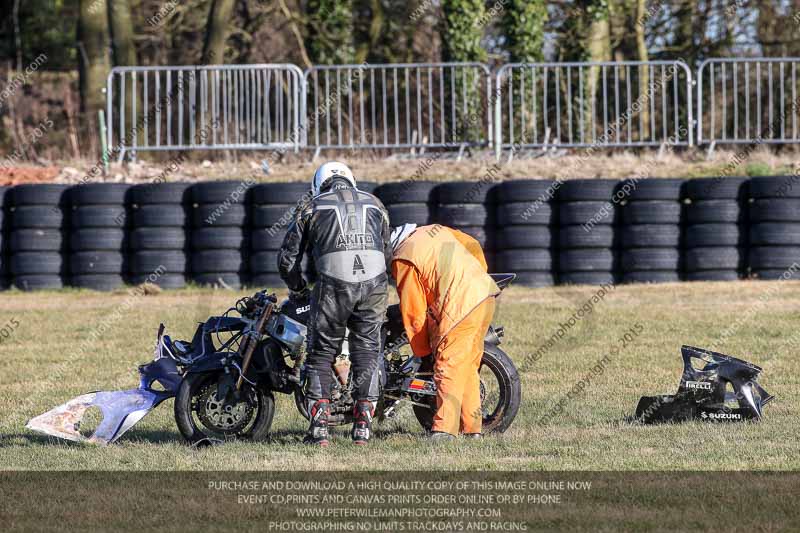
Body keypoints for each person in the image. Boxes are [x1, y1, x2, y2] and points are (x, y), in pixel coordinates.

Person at [278, 162, 391, 446]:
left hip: (333, 285)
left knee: (321, 353)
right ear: (350, 180)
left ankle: (319, 430)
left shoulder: (310, 207)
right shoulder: (376, 203)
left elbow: (287, 260)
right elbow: (385, 249)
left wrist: (299, 290)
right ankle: (363, 427)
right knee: (367, 350)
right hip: (375, 284)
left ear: (319, 184)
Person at [389, 223, 500, 440]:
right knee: (466, 367)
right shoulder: (435, 230)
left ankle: (444, 431)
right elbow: (473, 244)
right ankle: (471, 429)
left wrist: (423, 353)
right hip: (484, 295)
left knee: (447, 365)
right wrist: (477, 275)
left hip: (459, 306)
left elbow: (413, 311)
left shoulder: (403, 256)